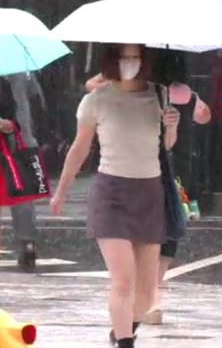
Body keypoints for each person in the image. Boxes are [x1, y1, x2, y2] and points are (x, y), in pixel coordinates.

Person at [51, 44, 181, 348]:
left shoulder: (158, 95)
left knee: (147, 292)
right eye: (124, 57)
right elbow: (79, 149)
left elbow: (167, 146)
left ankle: (122, 330)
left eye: (135, 57)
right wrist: (61, 192)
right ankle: (125, 342)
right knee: (123, 280)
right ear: (111, 60)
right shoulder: (96, 100)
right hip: (111, 194)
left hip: (149, 193)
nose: (130, 63)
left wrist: (172, 126)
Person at [84, 58, 211, 326]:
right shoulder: (146, 80)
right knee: (154, 236)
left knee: (163, 233)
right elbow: (93, 85)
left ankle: (148, 300)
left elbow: (192, 123)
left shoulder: (166, 89)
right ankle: (144, 302)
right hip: (149, 167)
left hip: (164, 166)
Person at [0, 75, 45, 271]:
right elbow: (38, 100)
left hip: (16, 139)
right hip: (22, 140)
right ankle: (28, 243)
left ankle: (27, 244)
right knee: (22, 193)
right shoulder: (21, 70)